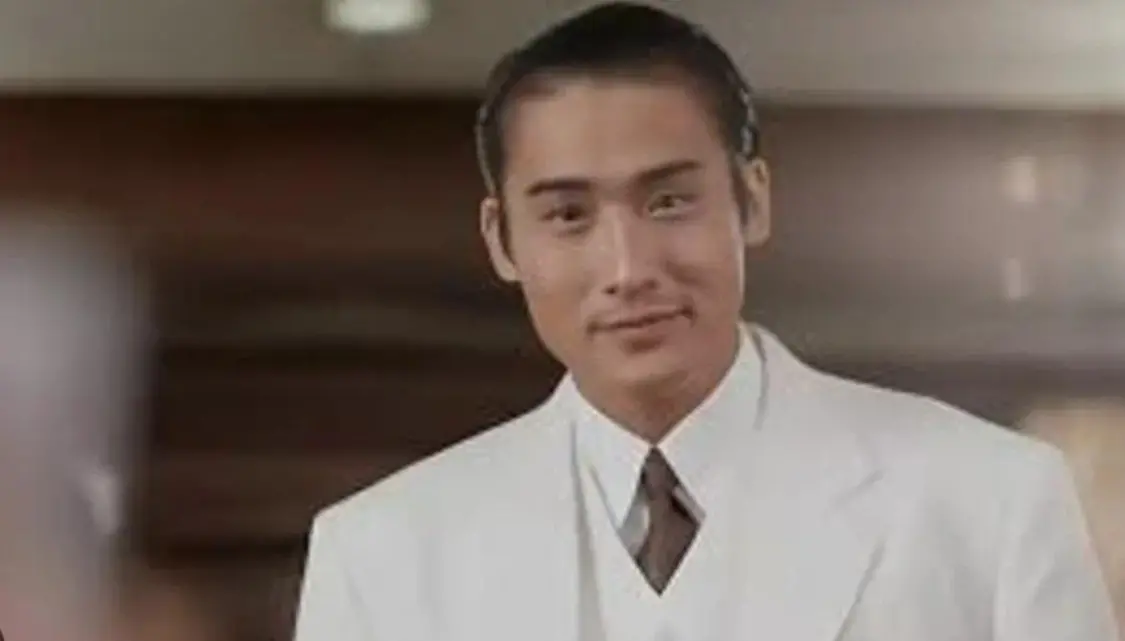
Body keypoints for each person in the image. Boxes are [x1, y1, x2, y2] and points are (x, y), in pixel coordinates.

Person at [292, 3, 1119, 640]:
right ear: (501, 240)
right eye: (568, 215)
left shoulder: (988, 499)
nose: (628, 268)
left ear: (750, 200)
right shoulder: (381, 553)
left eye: (668, 201)